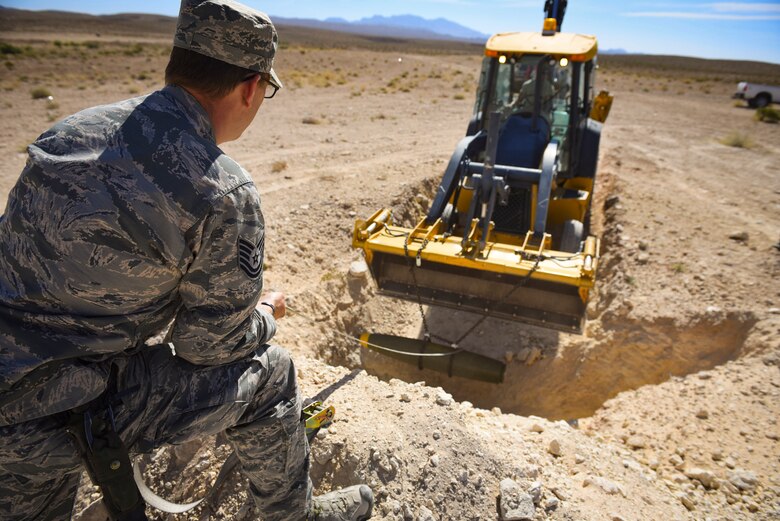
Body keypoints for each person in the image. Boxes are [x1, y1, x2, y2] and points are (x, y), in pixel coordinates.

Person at [0, 1, 373, 520]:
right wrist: (263, 315)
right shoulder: (221, 190)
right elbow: (206, 347)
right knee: (271, 373)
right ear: (250, 87)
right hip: (65, 413)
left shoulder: (65, 134)